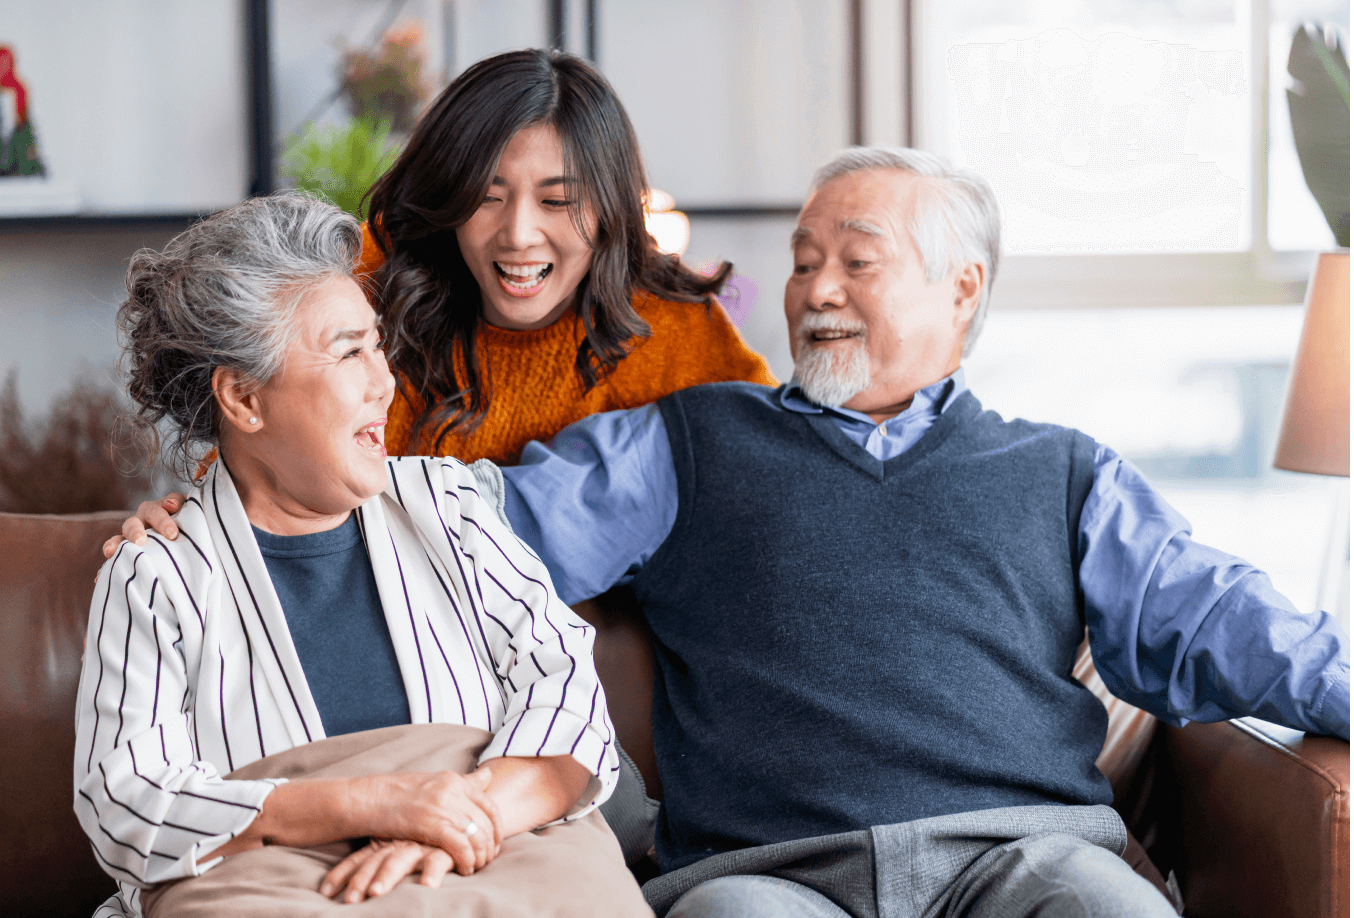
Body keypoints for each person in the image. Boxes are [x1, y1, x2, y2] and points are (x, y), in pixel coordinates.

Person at [115, 149, 1354, 917]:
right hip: (766, 875)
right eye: (804, 257)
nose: (814, 287)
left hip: (1024, 856)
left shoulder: (1062, 471)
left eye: (856, 262)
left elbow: (1231, 627)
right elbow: (451, 526)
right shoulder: (692, 440)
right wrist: (218, 496)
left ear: (961, 289)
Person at [76, 194, 647, 918]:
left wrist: (464, 818)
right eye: (350, 352)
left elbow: (566, 690)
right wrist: (372, 802)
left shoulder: (452, 507)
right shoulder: (157, 572)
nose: (385, 382)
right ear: (244, 398)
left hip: (490, 863)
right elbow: (126, 807)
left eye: (377, 346)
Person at [362, 47, 775, 464]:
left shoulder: (670, 327)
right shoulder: (365, 277)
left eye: (557, 200)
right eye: (486, 195)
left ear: (610, 209)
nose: (519, 235)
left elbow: (784, 466)